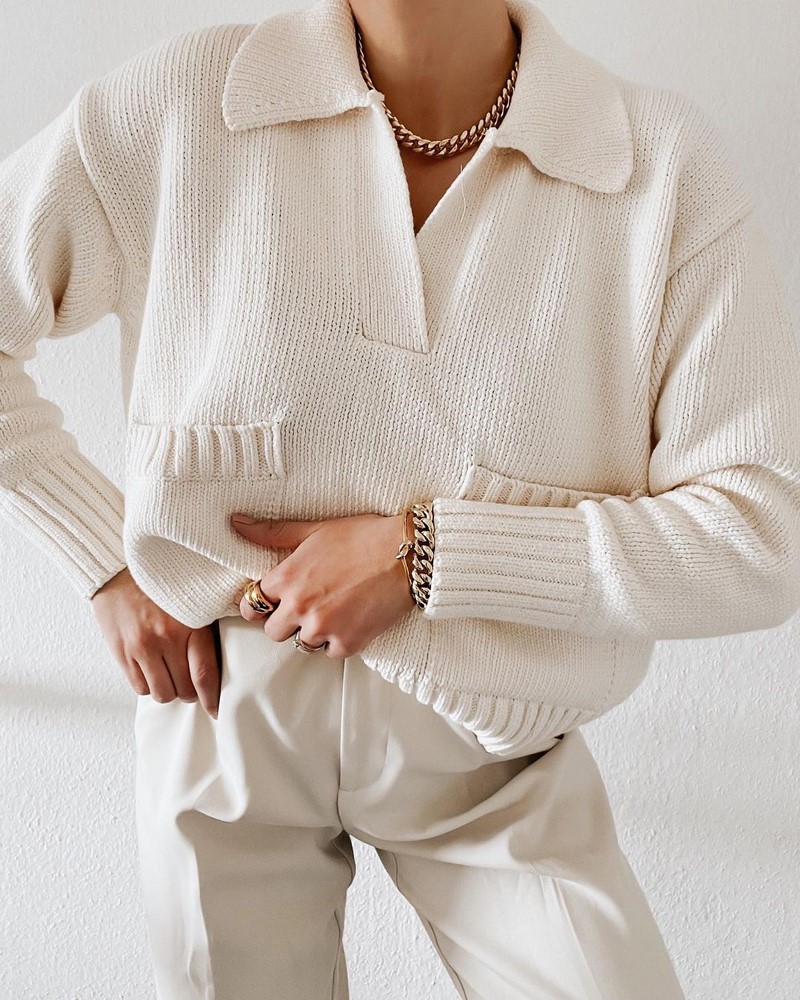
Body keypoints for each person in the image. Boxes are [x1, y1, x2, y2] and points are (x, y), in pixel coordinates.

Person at [2, 0, 799, 996]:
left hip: (499, 752)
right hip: (226, 719)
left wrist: (428, 555)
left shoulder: (653, 162)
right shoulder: (188, 103)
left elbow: (760, 539)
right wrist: (102, 560)